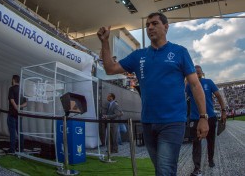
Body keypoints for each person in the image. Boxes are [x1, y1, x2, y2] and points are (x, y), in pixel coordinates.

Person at [97, 12, 209, 175]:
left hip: (173, 122)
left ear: (166, 27)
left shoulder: (180, 52)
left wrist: (203, 117)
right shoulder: (139, 55)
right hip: (148, 123)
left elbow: (195, 84)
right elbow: (110, 69)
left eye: (155, 23)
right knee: (162, 170)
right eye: (147, 24)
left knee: (164, 170)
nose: (150, 27)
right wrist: (105, 42)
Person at [186, 65, 227, 176]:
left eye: (199, 73)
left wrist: (223, 110)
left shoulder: (208, 82)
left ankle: (211, 159)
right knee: (196, 143)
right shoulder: (189, 84)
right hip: (195, 118)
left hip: (210, 117)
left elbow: (218, 96)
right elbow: (182, 96)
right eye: (195, 73)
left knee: (211, 141)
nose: (197, 75)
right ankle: (197, 167)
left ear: (202, 73)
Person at [7, 75, 27, 154]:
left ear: (13, 80)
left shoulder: (11, 89)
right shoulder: (22, 90)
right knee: (20, 132)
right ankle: (21, 149)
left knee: (12, 132)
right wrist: (20, 107)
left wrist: (16, 108)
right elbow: (26, 103)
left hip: (12, 114)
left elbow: (12, 101)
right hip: (20, 115)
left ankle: (12, 149)